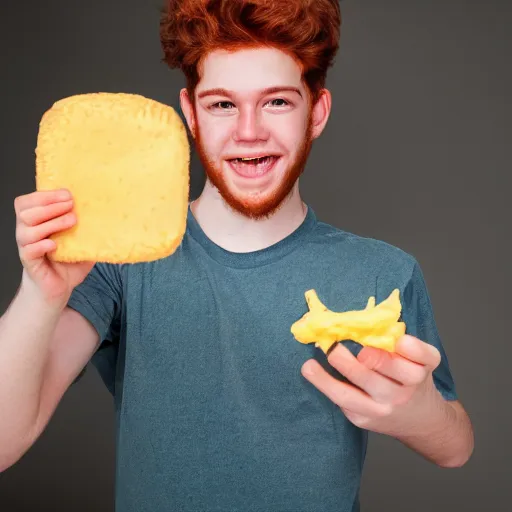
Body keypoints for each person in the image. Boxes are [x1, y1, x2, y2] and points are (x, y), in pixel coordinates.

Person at [0, 0, 473, 511]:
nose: (249, 132)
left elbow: (456, 448)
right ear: (191, 114)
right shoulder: (117, 263)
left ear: (317, 112)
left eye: (277, 102)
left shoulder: (383, 270)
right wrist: (40, 294)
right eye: (223, 104)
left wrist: (421, 414)